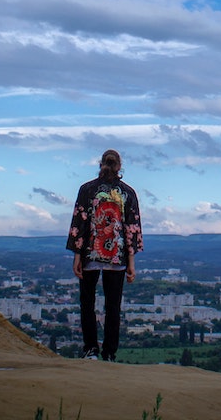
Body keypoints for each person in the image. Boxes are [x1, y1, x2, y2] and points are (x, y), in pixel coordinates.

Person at [65, 149, 143, 361]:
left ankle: (91, 349)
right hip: (116, 258)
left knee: (87, 304)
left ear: (101, 165)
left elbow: (78, 224)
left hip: (90, 254)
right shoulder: (128, 193)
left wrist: (77, 256)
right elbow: (132, 229)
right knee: (113, 307)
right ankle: (109, 353)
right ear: (119, 167)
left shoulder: (86, 190)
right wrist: (132, 262)